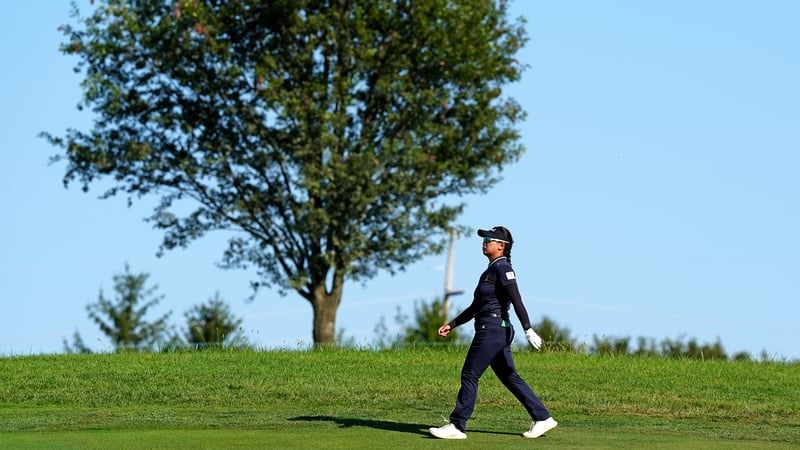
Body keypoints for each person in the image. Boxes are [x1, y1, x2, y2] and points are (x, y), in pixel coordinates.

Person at [429, 226, 558, 440]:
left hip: (492, 330)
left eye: (489, 239)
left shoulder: (502, 268)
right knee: (510, 377)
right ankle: (542, 418)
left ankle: (457, 425)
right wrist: (452, 324)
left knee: (470, 374)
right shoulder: (489, 270)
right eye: (484, 239)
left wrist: (528, 328)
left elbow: (517, 299)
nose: (484, 242)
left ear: (501, 246)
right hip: (496, 330)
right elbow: (475, 306)